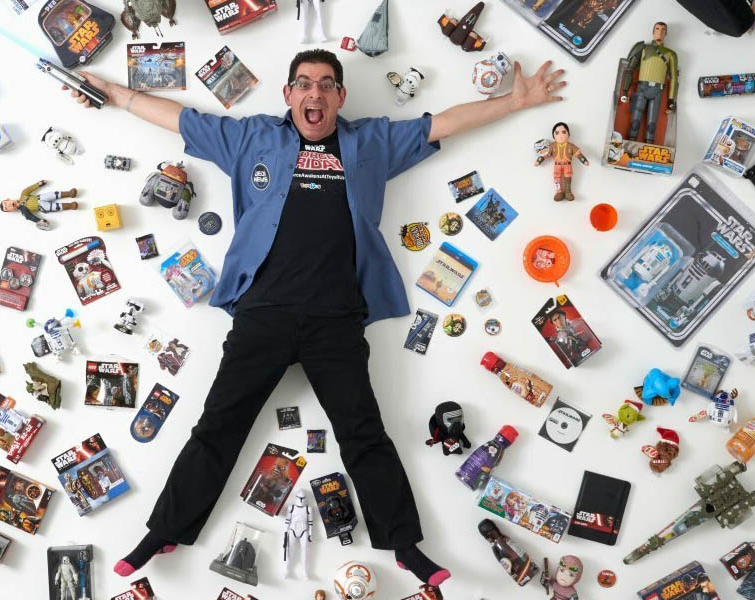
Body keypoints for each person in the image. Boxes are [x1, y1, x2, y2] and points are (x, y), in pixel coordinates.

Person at [64, 48, 566, 587]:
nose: (315, 93)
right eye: (304, 83)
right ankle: (164, 531)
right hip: (263, 313)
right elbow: (179, 119)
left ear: (340, 96)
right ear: (289, 94)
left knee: (364, 433)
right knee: (218, 428)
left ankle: (404, 545)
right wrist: (111, 93)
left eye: (327, 84)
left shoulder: (370, 143)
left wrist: (514, 102)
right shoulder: (252, 138)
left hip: (337, 319)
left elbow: (442, 123)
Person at [620, 22, 678, 143]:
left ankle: (648, 145)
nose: (660, 32)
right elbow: (629, 69)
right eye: (657, 29)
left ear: (666, 33)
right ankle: (629, 143)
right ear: (653, 32)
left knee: (652, 125)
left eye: (663, 30)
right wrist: (625, 90)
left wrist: (671, 100)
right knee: (635, 122)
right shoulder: (642, 48)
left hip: (657, 91)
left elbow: (673, 78)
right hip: (642, 88)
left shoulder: (671, 54)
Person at [0, 180, 78, 230]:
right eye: (7, 208)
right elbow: (30, 217)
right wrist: (39, 221)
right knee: (55, 207)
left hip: (40, 197)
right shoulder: (23, 211)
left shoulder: (23, 195)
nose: (8, 206)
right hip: (42, 207)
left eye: (6, 203)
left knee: (52, 194)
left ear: (8, 199)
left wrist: (39, 184)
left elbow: (28, 189)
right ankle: (71, 206)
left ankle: (69, 193)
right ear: (10, 211)